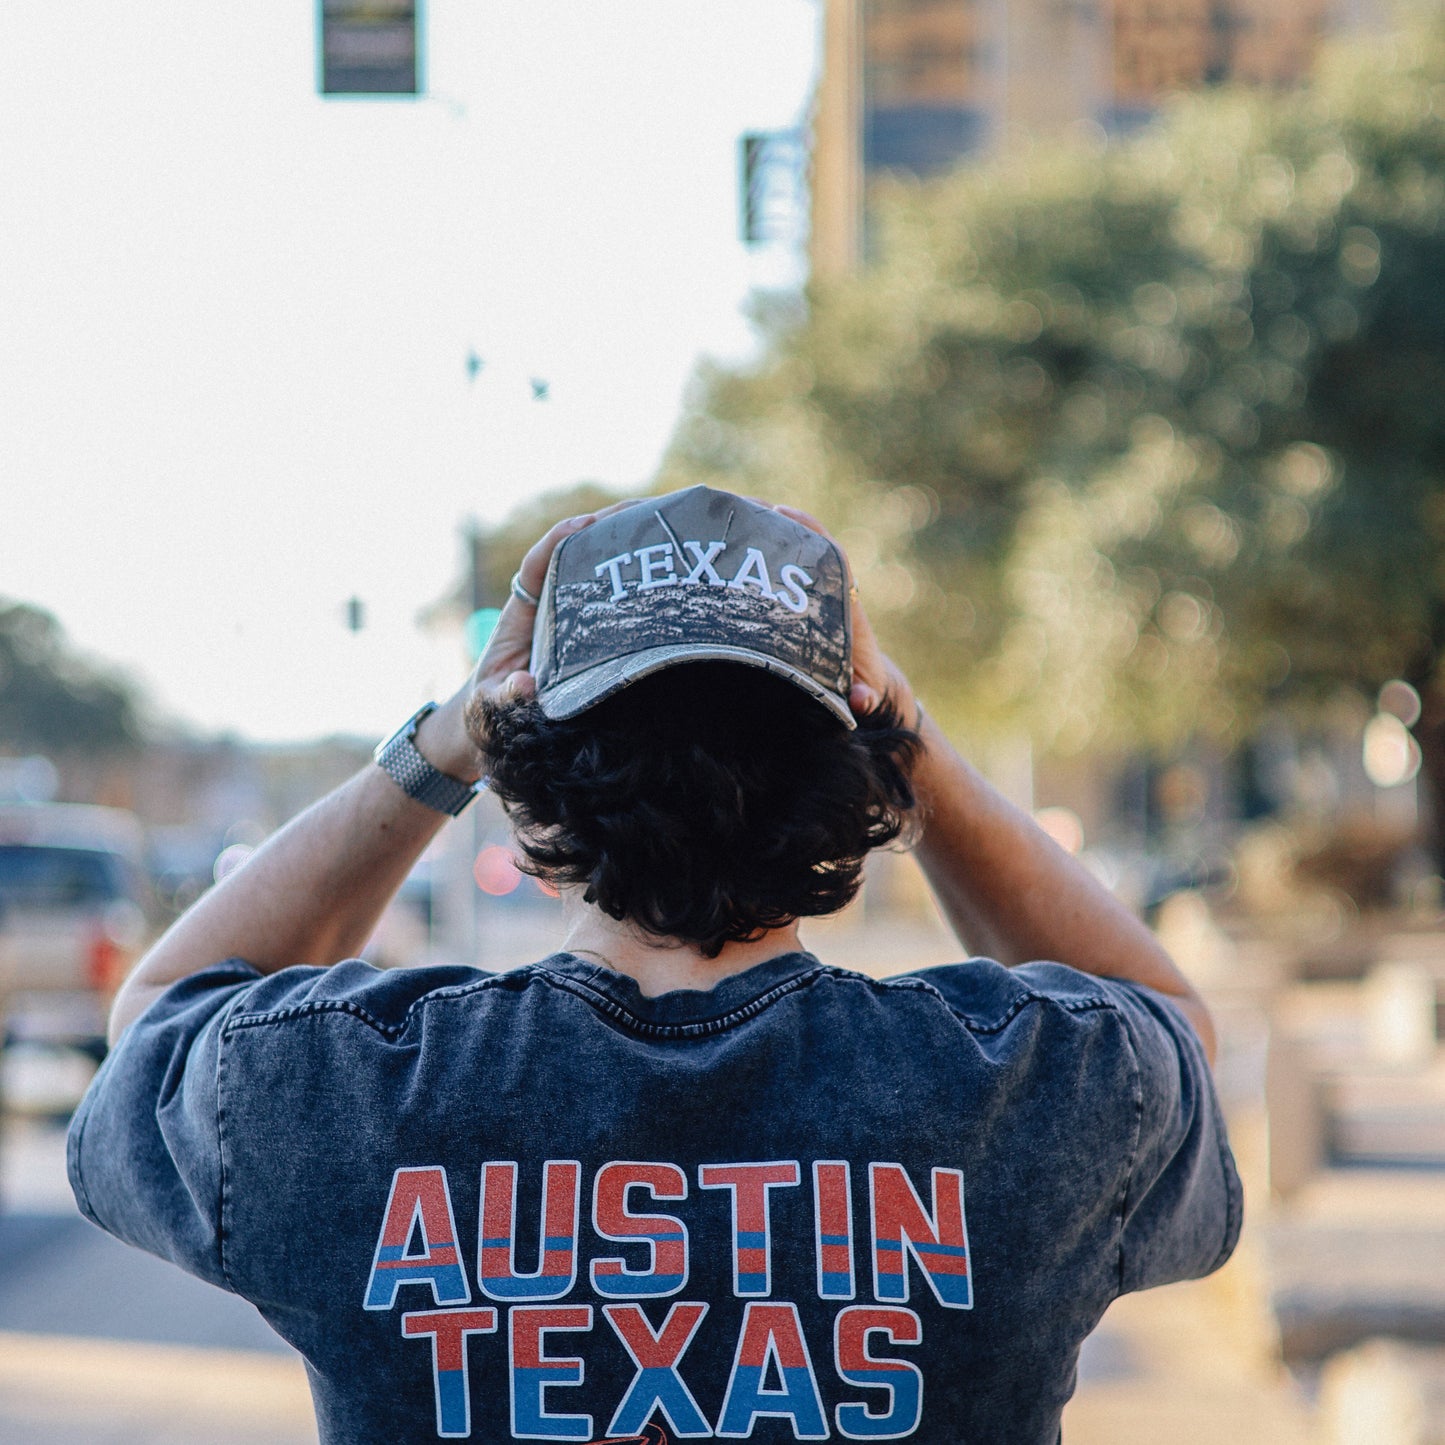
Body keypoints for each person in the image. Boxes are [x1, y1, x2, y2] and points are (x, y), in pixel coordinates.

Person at [68, 485, 1240, 1444]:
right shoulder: (1038, 1088)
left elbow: (161, 1007)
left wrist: (444, 744)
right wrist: (907, 738)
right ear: (854, 775)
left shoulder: (333, 1090)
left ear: (530, 781)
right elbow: (1172, 1021)